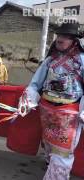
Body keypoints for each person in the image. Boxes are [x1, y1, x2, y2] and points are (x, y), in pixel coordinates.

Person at [17, 23, 84, 180]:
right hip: (47, 111)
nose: (60, 39)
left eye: (65, 37)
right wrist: (28, 101)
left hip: (69, 114)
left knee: (62, 153)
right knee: (50, 148)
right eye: (59, 36)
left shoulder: (81, 60)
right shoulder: (50, 60)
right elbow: (35, 83)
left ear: (74, 41)